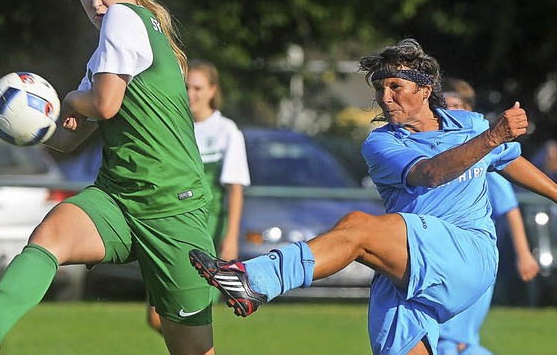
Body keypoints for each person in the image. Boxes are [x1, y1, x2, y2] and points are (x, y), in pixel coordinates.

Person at [188, 38, 557, 354]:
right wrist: (492, 137)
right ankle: (253, 282)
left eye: (395, 86)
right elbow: (430, 173)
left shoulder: (470, 125)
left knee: (358, 227)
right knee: (357, 229)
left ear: (425, 89)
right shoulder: (381, 142)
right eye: (380, 89)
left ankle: (255, 281)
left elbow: (509, 160)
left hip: (467, 253)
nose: (385, 98)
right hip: (406, 266)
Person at [0, 0, 217, 354]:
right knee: (51, 234)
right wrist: (2, 105)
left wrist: (67, 97)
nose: (97, 4)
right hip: (118, 198)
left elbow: (104, 104)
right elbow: (67, 138)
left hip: (174, 207)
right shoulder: (103, 55)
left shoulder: (127, 18)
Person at [147, 60, 251, 332]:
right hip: (171, 223)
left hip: (207, 229)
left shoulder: (226, 130)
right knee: (158, 316)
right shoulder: (172, 125)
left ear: (212, 91)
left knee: (188, 313)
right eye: (186, 87)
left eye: (198, 87)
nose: (191, 93)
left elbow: (235, 189)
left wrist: (230, 239)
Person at [438, 78, 540, 355]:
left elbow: (508, 207)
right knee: (452, 342)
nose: (449, 112)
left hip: (472, 257)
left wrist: (523, 254)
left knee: (454, 341)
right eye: (443, 106)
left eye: (455, 106)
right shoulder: (440, 153)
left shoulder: (481, 157)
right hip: (442, 256)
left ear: (470, 111)